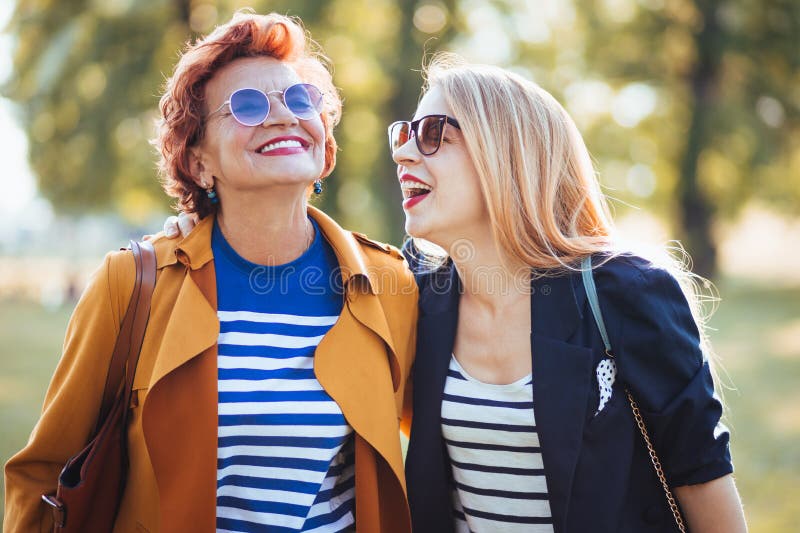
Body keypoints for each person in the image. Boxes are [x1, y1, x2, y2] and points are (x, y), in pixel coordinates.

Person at [4, 12, 417, 533]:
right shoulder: (132, 284)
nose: (284, 117)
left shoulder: (390, 284)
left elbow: (452, 442)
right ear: (199, 164)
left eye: (300, 100)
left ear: (324, 137)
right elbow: (43, 472)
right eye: (246, 106)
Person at [390, 54, 747, 532]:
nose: (403, 153)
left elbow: (704, 484)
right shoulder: (418, 300)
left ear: (509, 152)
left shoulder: (627, 291)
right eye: (403, 135)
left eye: (433, 134)